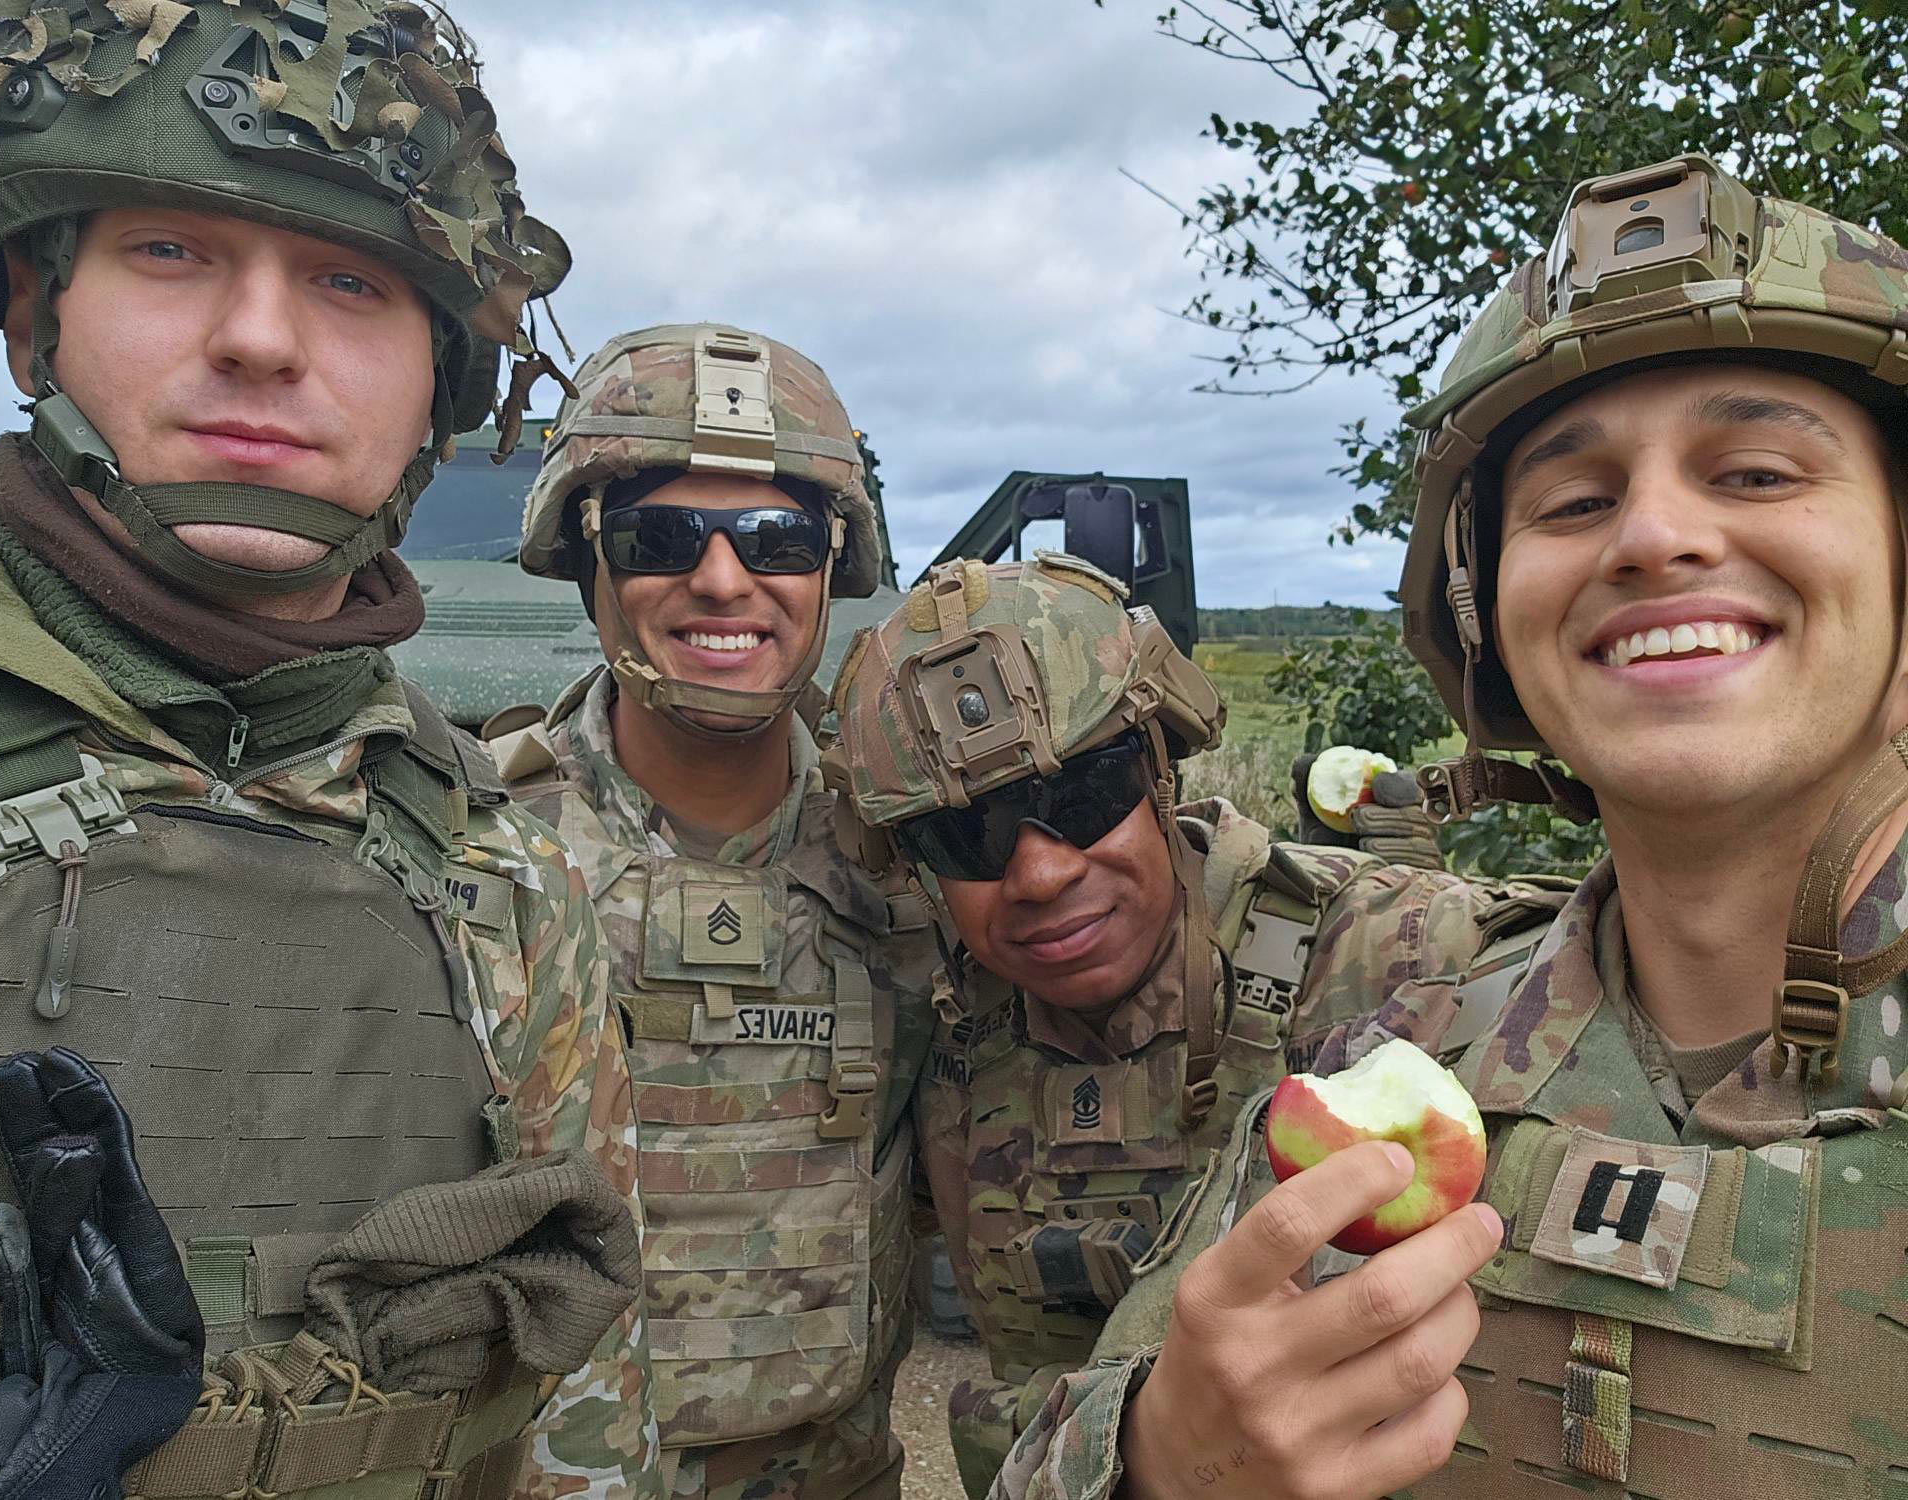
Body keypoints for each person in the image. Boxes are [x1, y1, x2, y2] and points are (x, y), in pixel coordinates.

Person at [986, 150, 1908, 1500]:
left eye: (1758, 472)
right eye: (1574, 501)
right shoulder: (1394, 1072)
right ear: (1490, 618)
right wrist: (1158, 1463)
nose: (1653, 535)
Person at [0, 4, 659, 1497]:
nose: (260, 339)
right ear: (29, 319)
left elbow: (573, 1420)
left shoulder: (498, 877)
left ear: (436, 390)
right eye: (172, 252)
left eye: (349, 281)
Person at [819, 554, 1561, 1497]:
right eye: (966, 835)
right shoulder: (942, 1025)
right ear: (915, 868)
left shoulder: (1405, 954)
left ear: (1160, 768)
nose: (1041, 873)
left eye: (1081, 796)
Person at [488, 323, 939, 1500]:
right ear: (588, 558)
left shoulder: (920, 862)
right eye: (662, 536)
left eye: (776, 537)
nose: (724, 580)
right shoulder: (471, 854)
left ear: (828, 567)